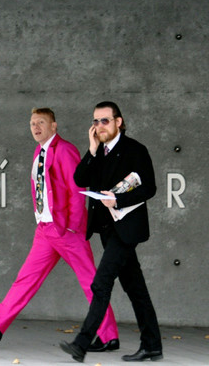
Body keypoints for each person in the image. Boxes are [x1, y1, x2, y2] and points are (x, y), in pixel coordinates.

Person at [0, 108, 118, 349]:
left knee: (91, 282)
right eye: (32, 123)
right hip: (46, 229)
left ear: (53, 126)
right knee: (26, 279)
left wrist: (73, 227)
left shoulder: (64, 150)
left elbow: (77, 189)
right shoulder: (39, 151)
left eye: (41, 123)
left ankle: (109, 337)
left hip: (67, 231)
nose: (36, 127)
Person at [60, 101, 162, 362]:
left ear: (119, 121)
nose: (99, 126)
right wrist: (92, 151)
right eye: (95, 121)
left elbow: (149, 188)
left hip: (126, 228)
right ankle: (152, 345)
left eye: (105, 120)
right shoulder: (99, 152)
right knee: (135, 288)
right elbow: (80, 179)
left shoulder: (135, 150)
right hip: (107, 229)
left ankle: (81, 343)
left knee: (101, 283)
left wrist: (118, 200)